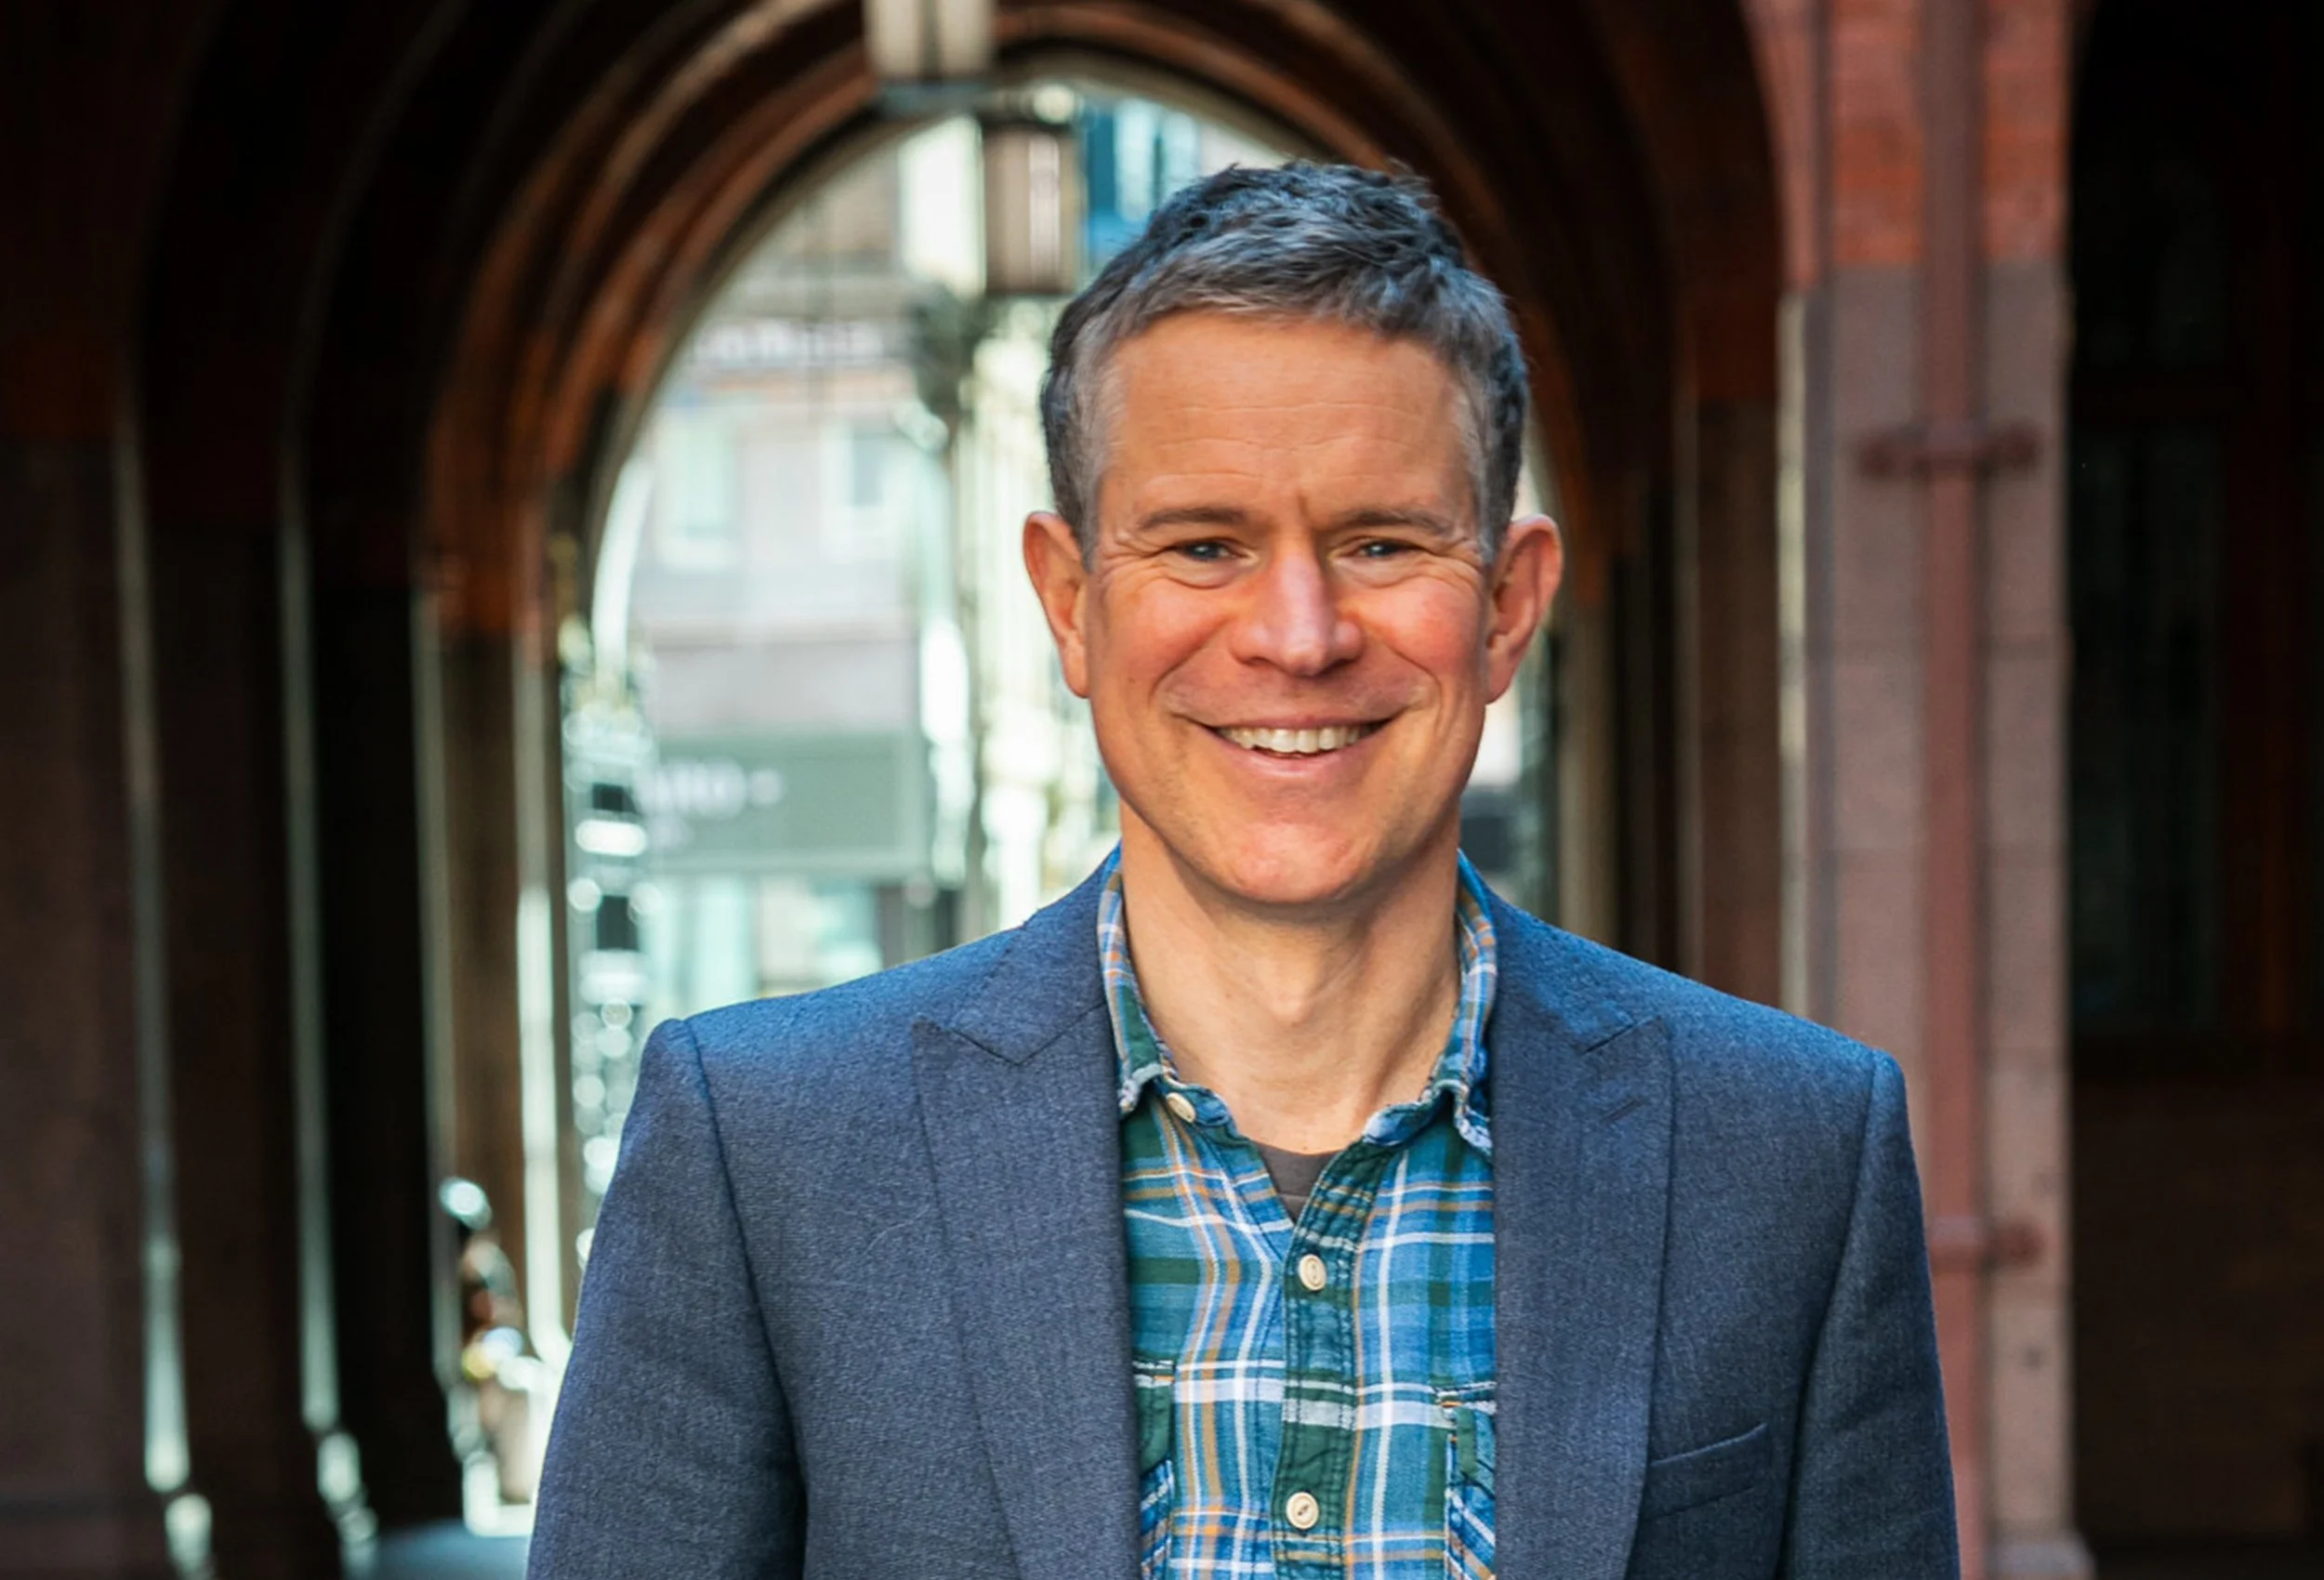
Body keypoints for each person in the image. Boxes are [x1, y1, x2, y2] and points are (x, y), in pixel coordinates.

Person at [529, 163, 1957, 1580]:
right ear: (1072, 602)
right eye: (1205, 545)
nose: (1298, 634)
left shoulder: (1791, 1158)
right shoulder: (766, 1155)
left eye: (1380, 543)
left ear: (1509, 605)